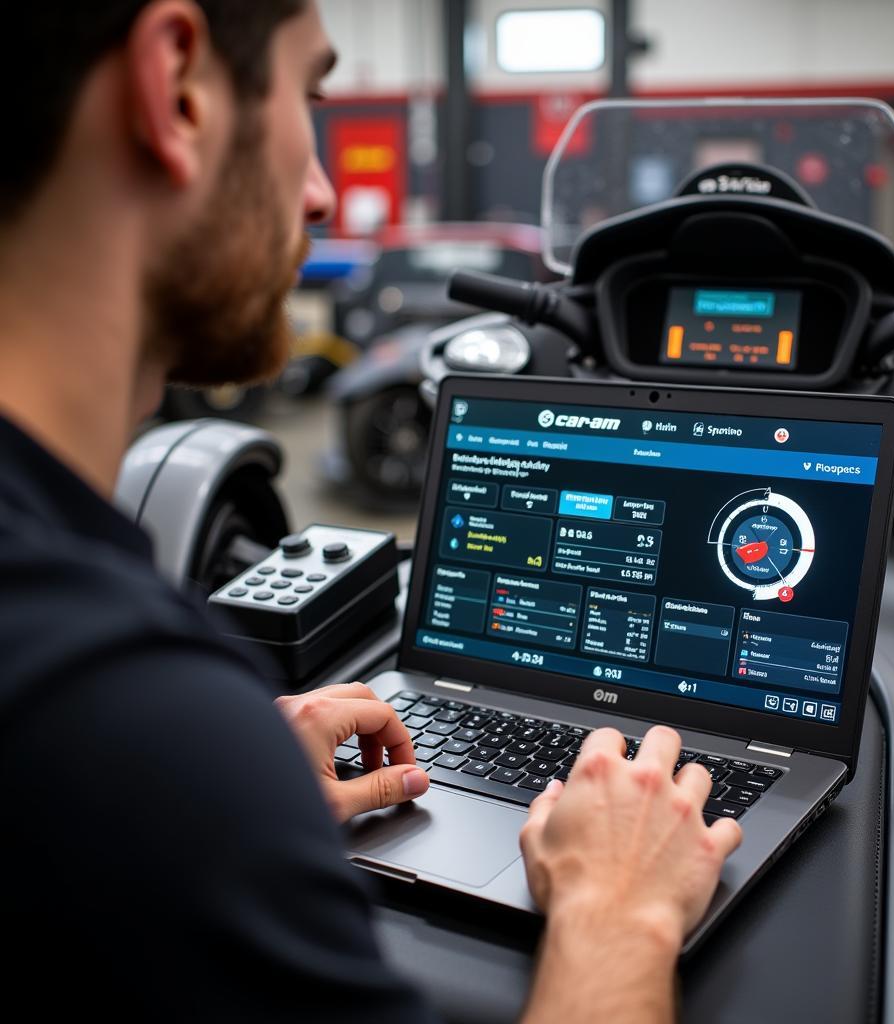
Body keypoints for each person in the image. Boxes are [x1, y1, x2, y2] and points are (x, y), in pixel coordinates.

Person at [0, 2, 742, 1019]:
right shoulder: (110, 715)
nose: (320, 193)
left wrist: (219, 773)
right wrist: (620, 912)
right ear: (177, 92)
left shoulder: (109, 720)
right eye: (309, 97)